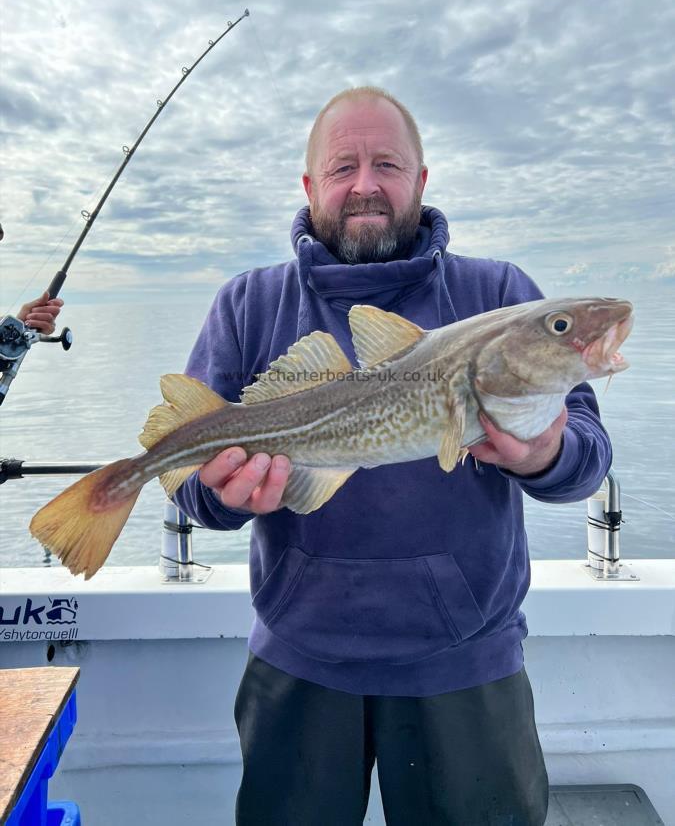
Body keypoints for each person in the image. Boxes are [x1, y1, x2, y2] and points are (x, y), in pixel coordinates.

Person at [174, 87, 611, 826]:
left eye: (387, 164)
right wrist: (219, 493)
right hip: (298, 658)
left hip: (466, 663)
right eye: (342, 167)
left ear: (420, 180)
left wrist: (543, 453)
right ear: (310, 186)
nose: (365, 184)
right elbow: (191, 480)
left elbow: (588, 456)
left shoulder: (498, 295)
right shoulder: (247, 303)